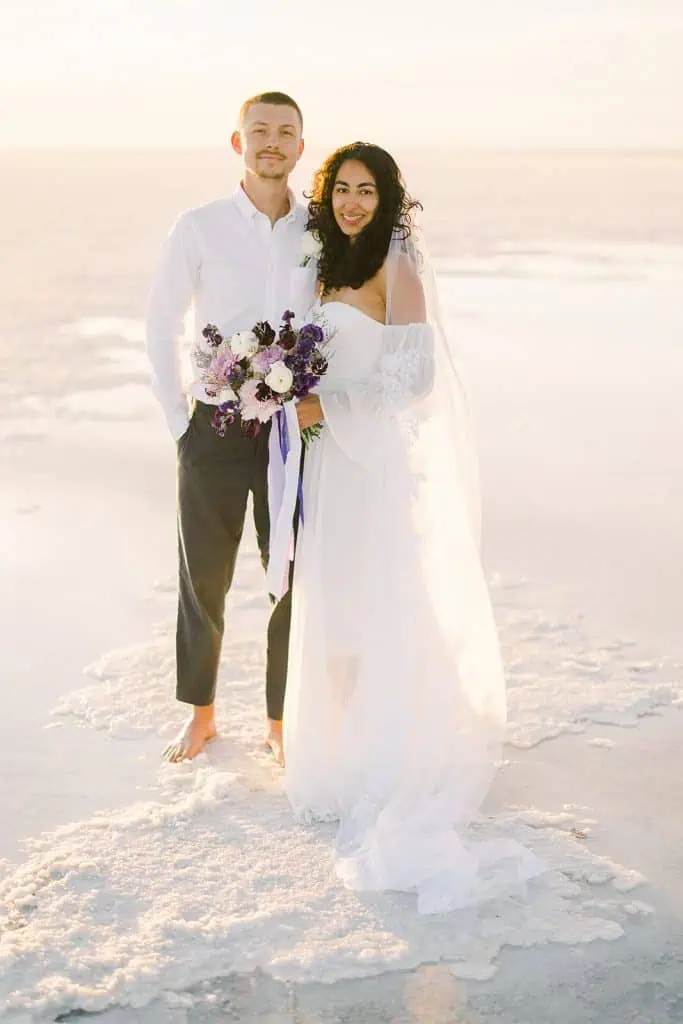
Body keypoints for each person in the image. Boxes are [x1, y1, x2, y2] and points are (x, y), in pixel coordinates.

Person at [284, 144, 543, 912]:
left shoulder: (396, 270)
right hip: (328, 465)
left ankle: (379, 757)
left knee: (375, 604)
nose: (354, 202)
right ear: (325, 195)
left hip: (374, 466)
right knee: (330, 602)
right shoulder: (317, 263)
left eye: (368, 191)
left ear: (390, 199)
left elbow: (414, 377)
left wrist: (329, 404)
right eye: (343, 189)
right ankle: (331, 751)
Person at [145, 91, 309, 764]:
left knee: (293, 576)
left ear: (301, 146)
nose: (272, 141)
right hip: (210, 428)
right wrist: (178, 421)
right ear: (238, 142)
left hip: (292, 434)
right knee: (202, 578)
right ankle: (201, 715)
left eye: (286, 132)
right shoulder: (199, 225)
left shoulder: (319, 230)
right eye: (259, 130)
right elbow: (160, 322)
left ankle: (281, 723)